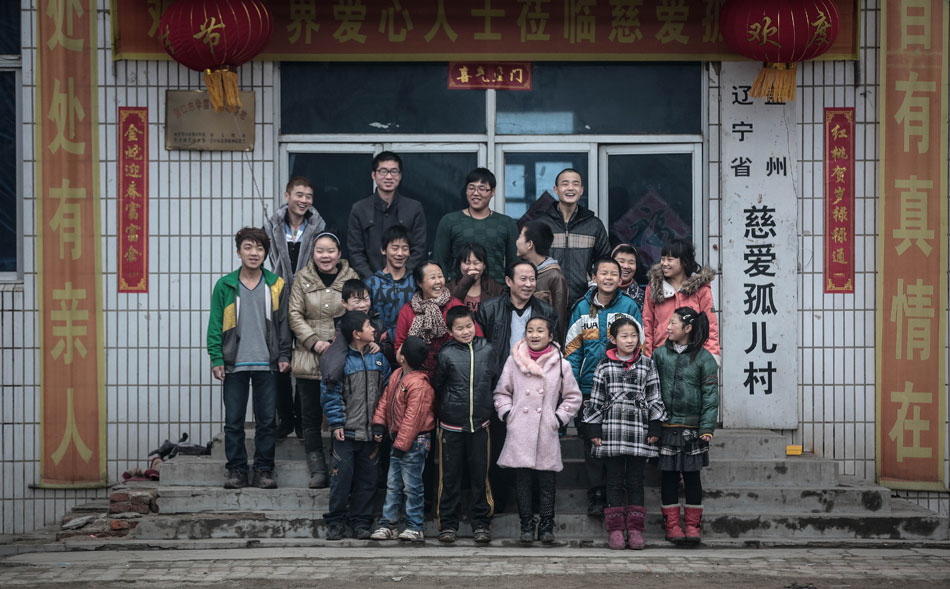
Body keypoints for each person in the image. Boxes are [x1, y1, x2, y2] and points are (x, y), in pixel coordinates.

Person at [207, 227, 292, 490]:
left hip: (267, 363)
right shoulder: (225, 285)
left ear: (266, 253)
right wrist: (216, 358)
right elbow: (215, 324)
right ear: (238, 251)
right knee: (233, 422)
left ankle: (264, 470)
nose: (254, 253)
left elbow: (284, 324)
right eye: (248, 247)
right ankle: (236, 471)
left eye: (259, 248)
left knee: (267, 421)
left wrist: (285, 354)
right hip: (234, 364)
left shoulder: (276, 285)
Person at [564, 258, 642, 516]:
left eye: (613, 274)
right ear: (593, 277)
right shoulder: (581, 308)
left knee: (617, 441)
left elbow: (638, 345)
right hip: (588, 387)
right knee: (592, 443)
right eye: (603, 273)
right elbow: (573, 351)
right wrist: (573, 388)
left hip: (622, 386)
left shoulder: (629, 306)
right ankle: (596, 494)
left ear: (621, 279)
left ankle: (615, 495)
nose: (608, 278)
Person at [493, 316, 582, 544]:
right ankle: (526, 525)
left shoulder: (561, 363)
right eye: (530, 330)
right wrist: (507, 414)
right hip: (520, 430)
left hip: (545, 429)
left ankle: (546, 525)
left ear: (550, 336)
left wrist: (558, 418)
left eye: (540, 331)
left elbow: (572, 396)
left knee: (546, 481)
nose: (534, 335)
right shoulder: (514, 361)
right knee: (522, 480)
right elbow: (502, 392)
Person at [583, 316, 667, 550]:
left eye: (634, 336)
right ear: (613, 339)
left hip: (638, 431)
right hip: (612, 431)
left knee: (635, 481)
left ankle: (636, 529)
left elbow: (655, 397)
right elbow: (596, 400)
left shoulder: (647, 364)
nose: (630, 340)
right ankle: (616, 529)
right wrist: (594, 428)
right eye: (624, 336)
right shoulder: (604, 366)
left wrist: (655, 425)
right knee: (614, 480)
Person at [288, 231, 359, 489]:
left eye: (330, 251)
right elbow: (294, 314)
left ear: (339, 254)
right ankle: (317, 468)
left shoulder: (351, 278)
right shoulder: (302, 279)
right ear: (313, 253)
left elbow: (357, 313)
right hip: (309, 359)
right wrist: (314, 341)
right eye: (320, 251)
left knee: (342, 416)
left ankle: (338, 465)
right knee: (310, 418)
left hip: (342, 360)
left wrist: (338, 343)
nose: (325, 256)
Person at [263, 177, 327, 440]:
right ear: (287, 195)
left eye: (308, 196)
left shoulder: (318, 227)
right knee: (278, 358)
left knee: (305, 360)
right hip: (277, 296)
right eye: (298, 195)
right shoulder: (271, 226)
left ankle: (303, 419)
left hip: (307, 297)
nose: (303, 200)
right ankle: (285, 418)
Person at [320, 310, 392, 541]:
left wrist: (381, 424)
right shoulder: (339, 360)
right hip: (346, 434)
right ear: (356, 333)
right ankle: (336, 522)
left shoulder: (379, 358)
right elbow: (330, 394)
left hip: (371, 434)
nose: (374, 329)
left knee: (368, 481)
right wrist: (336, 422)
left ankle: (362, 523)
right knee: (341, 480)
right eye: (369, 325)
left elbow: (388, 393)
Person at [651, 307, 719, 544]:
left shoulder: (704, 358)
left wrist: (707, 428)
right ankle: (672, 527)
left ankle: (692, 526)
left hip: (693, 429)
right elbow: (652, 390)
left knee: (692, 478)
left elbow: (711, 397)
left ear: (688, 329)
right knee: (668, 478)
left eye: (673, 323)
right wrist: (653, 425)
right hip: (667, 426)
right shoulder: (659, 355)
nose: (668, 327)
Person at [431, 306, 497, 544]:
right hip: (451, 427)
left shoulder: (487, 349)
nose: (466, 331)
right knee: (449, 478)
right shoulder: (446, 354)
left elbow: (494, 379)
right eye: (459, 328)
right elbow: (438, 385)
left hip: (480, 425)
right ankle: (448, 524)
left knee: (480, 477)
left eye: (469, 326)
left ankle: (482, 523)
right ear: (450, 331)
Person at [369, 336, 435, 543]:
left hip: (414, 442)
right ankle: (388, 523)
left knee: (412, 485)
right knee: (393, 484)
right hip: (398, 440)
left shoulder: (419, 385)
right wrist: (379, 423)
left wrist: (401, 445)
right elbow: (385, 400)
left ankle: (415, 526)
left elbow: (413, 420)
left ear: (403, 357)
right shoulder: (397, 375)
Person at [533, 168, 610, 304]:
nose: (570, 188)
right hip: (547, 298)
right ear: (555, 190)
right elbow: (529, 260)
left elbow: (604, 261)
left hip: (584, 299)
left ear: (581, 190)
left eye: (575, 184)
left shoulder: (593, 225)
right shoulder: (540, 224)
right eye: (565, 184)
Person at [347, 151, 427, 279]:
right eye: (383, 171)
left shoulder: (414, 208)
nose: (389, 177)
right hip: (370, 286)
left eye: (394, 171)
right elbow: (355, 252)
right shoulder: (359, 209)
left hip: (406, 284)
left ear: (400, 175)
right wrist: (373, 281)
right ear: (374, 174)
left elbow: (419, 249)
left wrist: (403, 277)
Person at [394, 261, 483, 375]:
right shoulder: (408, 310)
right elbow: (399, 347)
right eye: (432, 278)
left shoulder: (454, 305)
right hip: (418, 377)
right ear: (419, 282)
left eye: (440, 276)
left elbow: (477, 336)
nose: (438, 281)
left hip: (452, 375)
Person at [432, 168, 518, 284]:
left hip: (497, 293)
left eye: (482, 189)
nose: (475, 193)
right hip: (458, 293)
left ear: (492, 192)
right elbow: (439, 261)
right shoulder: (449, 221)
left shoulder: (507, 223)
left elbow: (514, 264)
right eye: (471, 188)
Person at [642, 239, 720, 364]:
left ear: (684, 261)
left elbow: (710, 325)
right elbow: (647, 324)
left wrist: (711, 358)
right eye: (663, 258)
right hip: (662, 356)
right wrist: (648, 356)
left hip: (694, 358)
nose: (664, 263)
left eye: (670, 259)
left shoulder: (700, 288)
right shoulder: (654, 288)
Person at [515, 220, 569, 341]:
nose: (516, 242)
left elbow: (559, 321)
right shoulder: (522, 271)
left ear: (529, 244)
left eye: (519, 237)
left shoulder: (554, 276)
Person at [365, 225, 416, 345]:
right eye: (395, 248)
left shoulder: (415, 281)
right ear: (383, 250)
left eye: (405, 248)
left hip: (410, 345)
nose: (400, 253)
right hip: (378, 346)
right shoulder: (372, 283)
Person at [445, 242, 505, 314]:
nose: (472, 268)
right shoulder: (448, 289)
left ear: (484, 265)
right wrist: (466, 280)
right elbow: (449, 311)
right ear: (459, 265)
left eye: (476, 263)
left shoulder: (496, 290)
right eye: (467, 263)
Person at [611, 244, 645, 309]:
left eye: (631, 262)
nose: (626, 266)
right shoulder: (598, 291)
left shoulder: (641, 296)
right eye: (621, 261)